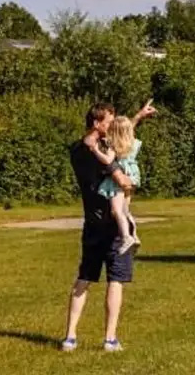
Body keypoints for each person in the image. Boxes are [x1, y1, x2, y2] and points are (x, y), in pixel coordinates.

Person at [62, 99, 156, 353]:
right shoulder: (91, 152)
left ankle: (71, 337)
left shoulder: (81, 148)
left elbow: (120, 138)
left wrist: (136, 118)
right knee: (112, 280)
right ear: (97, 123)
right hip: (110, 227)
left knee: (87, 278)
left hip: (94, 225)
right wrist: (124, 178)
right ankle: (108, 339)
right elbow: (122, 179)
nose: (113, 124)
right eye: (109, 121)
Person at [87, 114, 144, 255]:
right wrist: (138, 117)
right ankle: (134, 235)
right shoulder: (133, 143)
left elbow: (107, 160)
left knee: (117, 210)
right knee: (126, 209)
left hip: (119, 179)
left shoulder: (114, 145)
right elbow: (126, 129)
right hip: (132, 176)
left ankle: (126, 237)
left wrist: (95, 150)